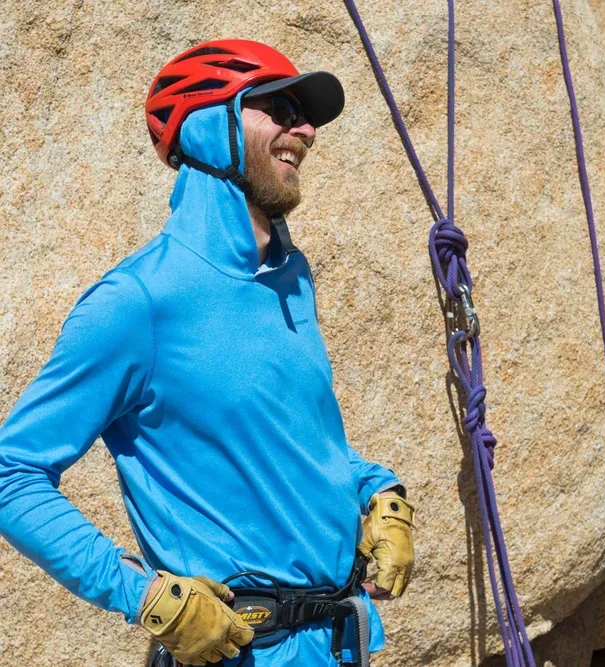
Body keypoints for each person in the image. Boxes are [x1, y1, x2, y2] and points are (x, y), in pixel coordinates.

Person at [0, 39, 415, 666]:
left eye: (305, 117)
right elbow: (13, 474)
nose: (305, 131)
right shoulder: (138, 301)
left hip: (338, 645)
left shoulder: (290, 280)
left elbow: (289, 442)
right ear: (204, 126)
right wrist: (144, 596)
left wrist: (377, 490)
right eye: (280, 109)